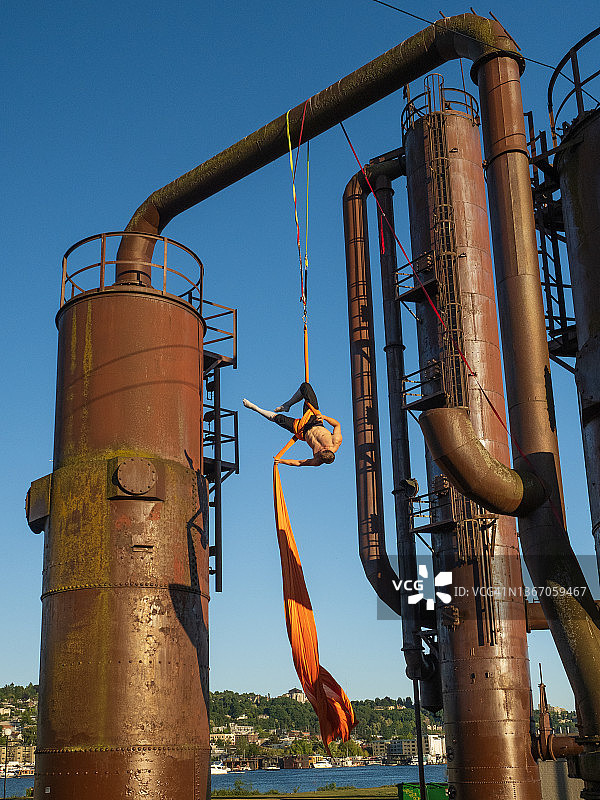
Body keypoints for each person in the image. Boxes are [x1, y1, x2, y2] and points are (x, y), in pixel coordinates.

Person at [243, 382, 342, 467]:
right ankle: (287, 405)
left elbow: (299, 463)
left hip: (301, 430)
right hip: (314, 420)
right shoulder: (336, 441)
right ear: (328, 449)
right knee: (305, 387)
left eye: (319, 452)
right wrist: (324, 417)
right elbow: (337, 425)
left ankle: (255, 408)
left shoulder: (317, 460)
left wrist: (281, 461)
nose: (321, 449)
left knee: (278, 419)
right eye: (324, 449)